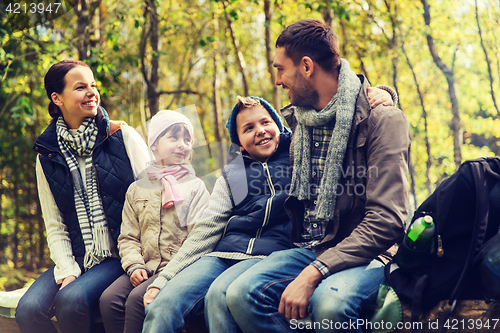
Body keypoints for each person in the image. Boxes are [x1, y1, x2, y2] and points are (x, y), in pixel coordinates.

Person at [225, 19, 411, 333]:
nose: (278, 80)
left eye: (281, 69)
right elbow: (255, 148)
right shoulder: (299, 120)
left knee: (330, 305)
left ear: (307, 66)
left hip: (370, 251)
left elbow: (387, 220)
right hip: (312, 246)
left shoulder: (382, 120)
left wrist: (314, 272)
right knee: (239, 294)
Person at [15, 60, 150, 333]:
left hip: (119, 254)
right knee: (28, 310)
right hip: (78, 255)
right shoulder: (46, 155)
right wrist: (67, 270)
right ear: (57, 98)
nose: (92, 92)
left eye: (93, 85)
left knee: (71, 300)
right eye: (80, 87)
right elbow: (54, 224)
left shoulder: (122, 136)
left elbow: (152, 201)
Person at [140, 96, 294, 333]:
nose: (261, 131)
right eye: (249, 128)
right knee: (162, 305)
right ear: (239, 143)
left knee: (218, 297)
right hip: (223, 254)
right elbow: (207, 228)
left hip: (271, 254)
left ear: (279, 126)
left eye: (266, 122)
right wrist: (164, 279)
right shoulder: (233, 174)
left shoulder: (298, 157)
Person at [99, 110, 210, 333]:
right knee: (109, 300)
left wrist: (171, 272)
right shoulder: (137, 188)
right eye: (174, 137)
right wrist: (134, 265)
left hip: (176, 268)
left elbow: (200, 238)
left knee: (137, 300)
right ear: (154, 145)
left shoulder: (195, 187)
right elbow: (128, 237)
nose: (182, 144)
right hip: (146, 265)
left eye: (187, 139)